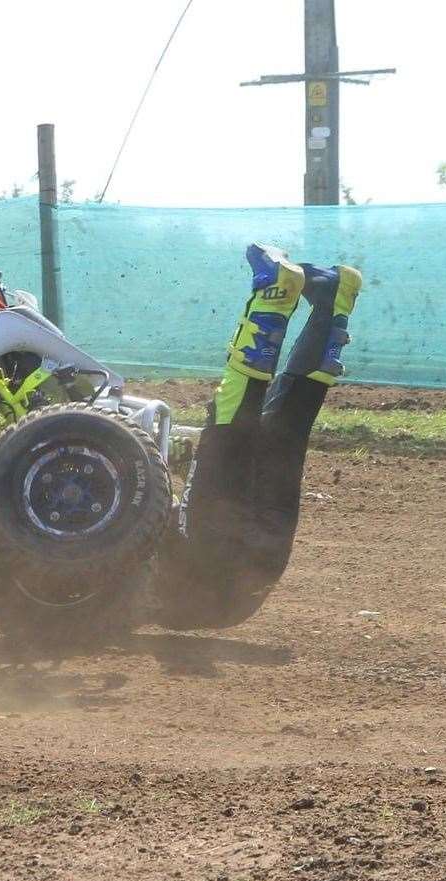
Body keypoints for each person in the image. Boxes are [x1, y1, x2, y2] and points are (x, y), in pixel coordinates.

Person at [150, 243, 363, 630]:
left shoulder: (125, 602)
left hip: (264, 565)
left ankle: (335, 302)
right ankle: (274, 294)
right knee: (234, 420)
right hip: (211, 553)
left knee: (289, 424)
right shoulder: (115, 575)